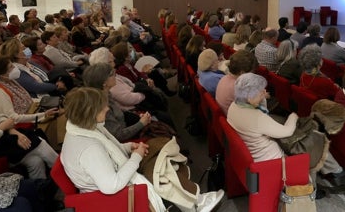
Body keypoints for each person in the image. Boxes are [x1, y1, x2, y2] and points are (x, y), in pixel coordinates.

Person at [60, 87, 224, 212]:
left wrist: (127, 147)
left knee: (161, 160)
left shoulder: (85, 129)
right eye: (102, 107)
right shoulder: (89, 148)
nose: (107, 109)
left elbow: (105, 153)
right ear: (89, 113)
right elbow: (111, 186)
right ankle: (195, 205)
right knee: (160, 171)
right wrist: (136, 157)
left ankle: (194, 203)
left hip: (108, 180)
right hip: (111, 197)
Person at [226, 73, 345, 198]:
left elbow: (263, 114)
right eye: (261, 92)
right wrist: (293, 115)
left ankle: (330, 173)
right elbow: (287, 131)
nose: (264, 92)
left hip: (253, 153)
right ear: (249, 97)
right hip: (272, 161)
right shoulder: (256, 118)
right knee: (311, 146)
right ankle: (309, 189)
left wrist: (261, 98)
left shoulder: (234, 106)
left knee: (308, 143)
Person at [215, 50, 257, 114]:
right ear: (242, 72)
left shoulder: (224, 78)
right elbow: (253, 109)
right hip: (233, 120)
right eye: (251, 72)